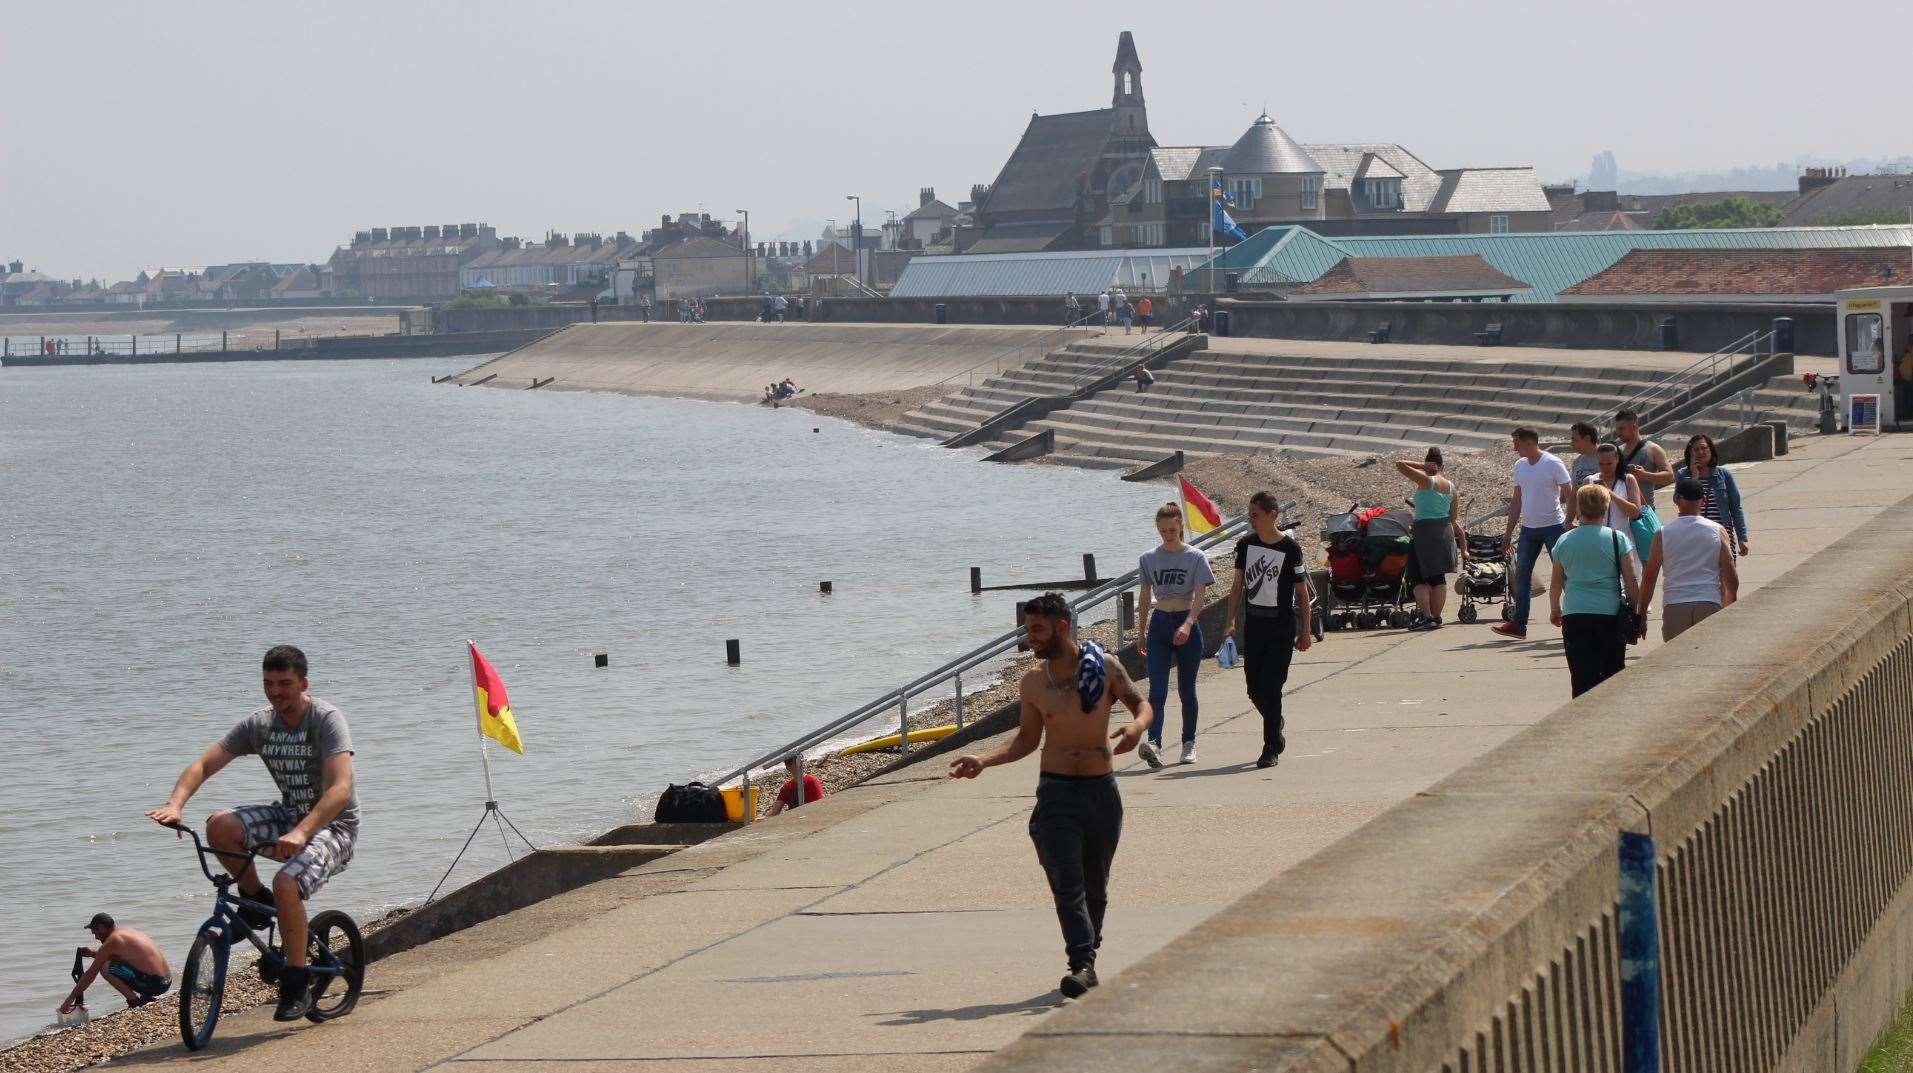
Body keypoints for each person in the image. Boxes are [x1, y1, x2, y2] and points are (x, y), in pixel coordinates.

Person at [947, 593, 1152, 1000]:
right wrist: (984, 761)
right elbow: (1026, 739)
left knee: (1096, 886)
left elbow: (1141, 704)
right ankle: (1080, 963)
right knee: (1067, 883)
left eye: (1037, 630)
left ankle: (1088, 958)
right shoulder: (1034, 683)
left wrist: (1136, 729)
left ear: (1062, 626)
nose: (1030, 639)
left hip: (1100, 792)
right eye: (1028, 630)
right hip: (1056, 792)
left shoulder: (1105, 668)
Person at [146, 645, 359, 1022]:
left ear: (303, 683)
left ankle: (295, 982)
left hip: (334, 825)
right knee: (220, 826)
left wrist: (301, 832)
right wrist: (176, 804)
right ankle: (251, 897)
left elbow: (340, 788)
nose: (275, 692)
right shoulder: (260, 725)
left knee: (286, 883)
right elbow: (203, 764)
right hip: (289, 815)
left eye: (284, 684)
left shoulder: (326, 719)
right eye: (268, 683)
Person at [1222, 491, 1314, 768]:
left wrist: (1305, 630)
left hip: (1281, 626)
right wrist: (1230, 621)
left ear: (1272, 515)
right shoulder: (1245, 545)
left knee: (1272, 688)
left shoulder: (1290, 549)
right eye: (1249, 516)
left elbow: (1301, 592)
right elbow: (1237, 586)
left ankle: (1270, 747)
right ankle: (1275, 722)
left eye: (1255, 515)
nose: (1251, 521)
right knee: (1253, 689)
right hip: (1254, 625)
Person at [1135, 503, 1216, 767]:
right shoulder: (1148, 558)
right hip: (1159, 623)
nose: (1168, 534)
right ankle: (1154, 743)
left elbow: (1201, 594)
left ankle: (1189, 742)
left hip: (1186, 623)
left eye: (1172, 529)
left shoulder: (1195, 557)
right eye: (1163, 531)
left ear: (1180, 526)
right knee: (1157, 690)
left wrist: (1189, 623)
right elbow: (1145, 595)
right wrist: (1141, 631)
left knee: (1186, 689)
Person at [1548, 485, 1641, 697]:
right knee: (1613, 674)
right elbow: (1631, 580)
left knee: (1581, 677)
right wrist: (1637, 613)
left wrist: (1555, 608)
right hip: (1609, 614)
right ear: (1606, 508)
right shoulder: (1618, 539)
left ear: (1579, 509)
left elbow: (1556, 583)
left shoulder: (1564, 541)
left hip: (1575, 613)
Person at [1494, 428, 1574, 639]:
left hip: (1553, 526)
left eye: (1516, 443)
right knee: (1521, 574)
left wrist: (1569, 520)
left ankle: (1574, 618)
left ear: (1528, 442)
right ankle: (1519, 625)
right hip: (1529, 528)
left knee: (1564, 575)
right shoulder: (1519, 466)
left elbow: (1570, 492)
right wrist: (1508, 533)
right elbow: (1517, 500)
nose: (1514, 447)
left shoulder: (1553, 463)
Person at [1637, 477, 1738, 642]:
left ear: (1676, 499)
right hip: (1709, 601)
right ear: (1704, 501)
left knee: (1676, 663)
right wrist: (1730, 606)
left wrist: (1641, 615)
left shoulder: (1663, 534)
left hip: (1675, 604)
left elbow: (1649, 577)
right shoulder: (1717, 531)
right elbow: (1730, 575)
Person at [1396, 448, 1461, 630]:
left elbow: (1400, 464)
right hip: (1444, 532)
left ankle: (1427, 616)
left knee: (1417, 576)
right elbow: (1453, 517)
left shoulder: (1426, 481)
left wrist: (1422, 466)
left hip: (1424, 532)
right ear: (1443, 466)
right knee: (1437, 577)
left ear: (1429, 465)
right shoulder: (1451, 487)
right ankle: (1437, 616)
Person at [59, 914, 171, 1015]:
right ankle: (146, 997)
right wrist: (93, 954)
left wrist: (69, 1000)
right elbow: (125, 957)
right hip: (166, 980)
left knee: (105, 967)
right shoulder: (126, 932)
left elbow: (90, 975)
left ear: (102, 928)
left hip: (155, 985)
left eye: (95, 933)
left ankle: (134, 1002)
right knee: (109, 963)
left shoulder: (112, 941)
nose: (96, 937)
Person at [1676, 434, 1749, 558]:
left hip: (1721, 535)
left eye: (1704, 448)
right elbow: (1678, 502)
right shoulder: (1683, 475)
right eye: (1696, 449)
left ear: (1711, 450)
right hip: (1694, 535)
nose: (1700, 452)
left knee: (1726, 575)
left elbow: (1736, 508)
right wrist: (1694, 477)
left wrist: (1742, 538)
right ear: (1690, 453)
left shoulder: (1724, 475)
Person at [1591, 443, 1646, 566]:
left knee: (1630, 582)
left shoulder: (1628, 480)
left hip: (1624, 543)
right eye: (1601, 464)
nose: (1605, 468)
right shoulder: (1589, 481)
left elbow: (1635, 512)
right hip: (1598, 544)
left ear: (1617, 459)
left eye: (1609, 463)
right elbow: (1582, 514)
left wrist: (1610, 493)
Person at [1614, 409, 1673, 511]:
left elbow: (1670, 477)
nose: (1618, 433)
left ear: (1634, 427)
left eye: (1622, 429)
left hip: (1645, 512)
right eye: (1617, 429)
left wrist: (1645, 475)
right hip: (1622, 512)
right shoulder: (1618, 451)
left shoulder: (1652, 449)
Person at [1568, 422, 1601, 487]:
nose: (1571, 443)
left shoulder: (1607, 457)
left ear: (1587, 439)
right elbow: (1574, 488)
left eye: (1575, 440)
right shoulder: (1577, 462)